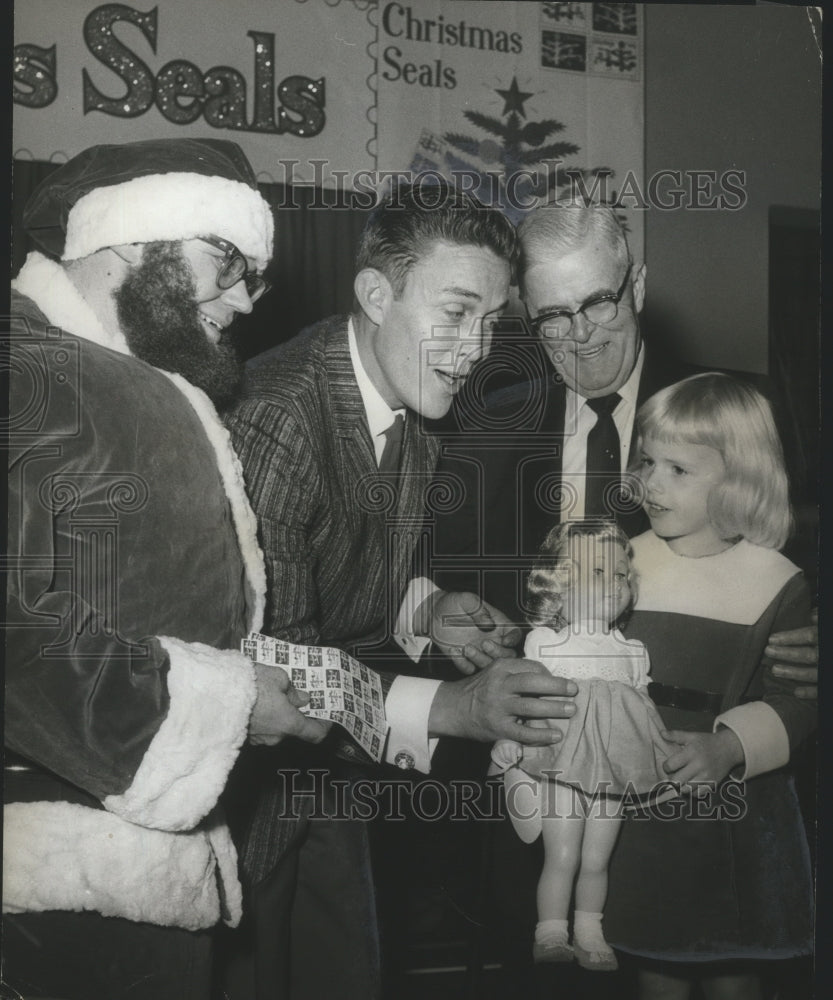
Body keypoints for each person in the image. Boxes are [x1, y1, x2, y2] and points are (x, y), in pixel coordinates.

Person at [221, 180, 579, 999]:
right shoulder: (278, 415)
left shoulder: (413, 403)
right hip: (251, 798)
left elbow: (344, 562)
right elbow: (279, 671)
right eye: (455, 312)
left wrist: (427, 610)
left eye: (492, 321)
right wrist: (451, 708)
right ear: (376, 295)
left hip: (331, 785)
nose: (476, 348)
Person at [3, 137, 332, 1000]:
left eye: (256, 275)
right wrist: (227, 707)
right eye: (227, 259)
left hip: (132, 878)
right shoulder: (27, 368)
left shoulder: (117, 374)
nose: (245, 298)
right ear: (126, 238)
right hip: (46, 899)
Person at [603, 373, 816, 998]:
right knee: (656, 956)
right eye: (647, 462)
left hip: (735, 809)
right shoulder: (621, 562)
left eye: (678, 469)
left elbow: (798, 698)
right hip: (643, 802)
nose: (651, 483)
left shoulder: (775, 580)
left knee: (731, 963)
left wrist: (728, 747)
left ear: (738, 480)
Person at [491, 521, 672, 973]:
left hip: (613, 767)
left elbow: (645, 713)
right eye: (597, 572)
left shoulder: (633, 651)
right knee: (563, 853)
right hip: (562, 761)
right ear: (559, 584)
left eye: (620, 574)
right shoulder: (547, 642)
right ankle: (551, 931)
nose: (613, 584)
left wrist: (665, 756)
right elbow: (522, 697)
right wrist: (509, 738)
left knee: (596, 858)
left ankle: (590, 930)